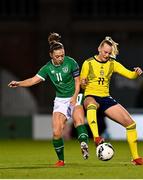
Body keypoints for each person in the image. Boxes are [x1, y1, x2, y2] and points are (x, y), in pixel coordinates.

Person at [8, 32, 89, 167]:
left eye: (62, 55)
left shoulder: (71, 62)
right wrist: (19, 83)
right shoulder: (47, 68)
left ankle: (83, 144)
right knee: (57, 131)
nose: (61, 58)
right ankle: (61, 161)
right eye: (57, 56)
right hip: (60, 100)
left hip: (76, 95)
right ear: (51, 55)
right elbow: (34, 80)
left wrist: (75, 97)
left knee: (78, 120)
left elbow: (77, 82)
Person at [80, 36, 143, 165]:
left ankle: (136, 158)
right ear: (99, 49)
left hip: (105, 97)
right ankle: (96, 137)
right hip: (91, 95)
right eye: (105, 52)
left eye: (109, 53)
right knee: (91, 105)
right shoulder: (88, 63)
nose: (106, 55)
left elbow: (129, 75)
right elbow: (83, 85)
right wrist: (83, 83)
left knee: (131, 124)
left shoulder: (112, 64)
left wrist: (136, 73)